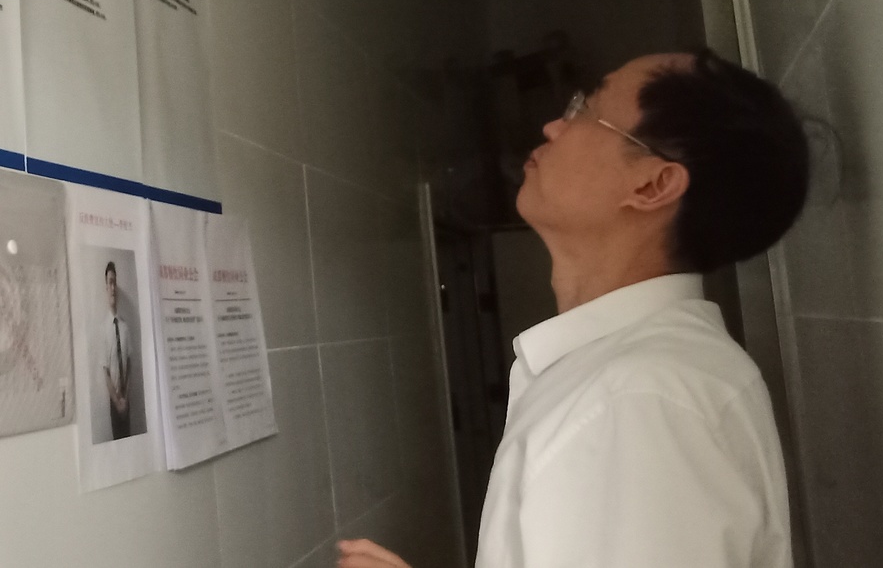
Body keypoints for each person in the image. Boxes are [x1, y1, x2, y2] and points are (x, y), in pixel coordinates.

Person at [340, 51, 809, 568]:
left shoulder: (638, 400)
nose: (553, 126)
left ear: (652, 185)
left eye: (585, 110)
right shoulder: (646, 380)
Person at [101, 260, 134, 440]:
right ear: (106, 288)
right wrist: (117, 402)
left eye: (115, 283)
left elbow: (129, 365)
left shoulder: (125, 327)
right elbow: (105, 372)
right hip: (114, 403)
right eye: (110, 283)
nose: (113, 288)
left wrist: (126, 399)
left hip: (127, 401)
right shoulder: (104, 329)